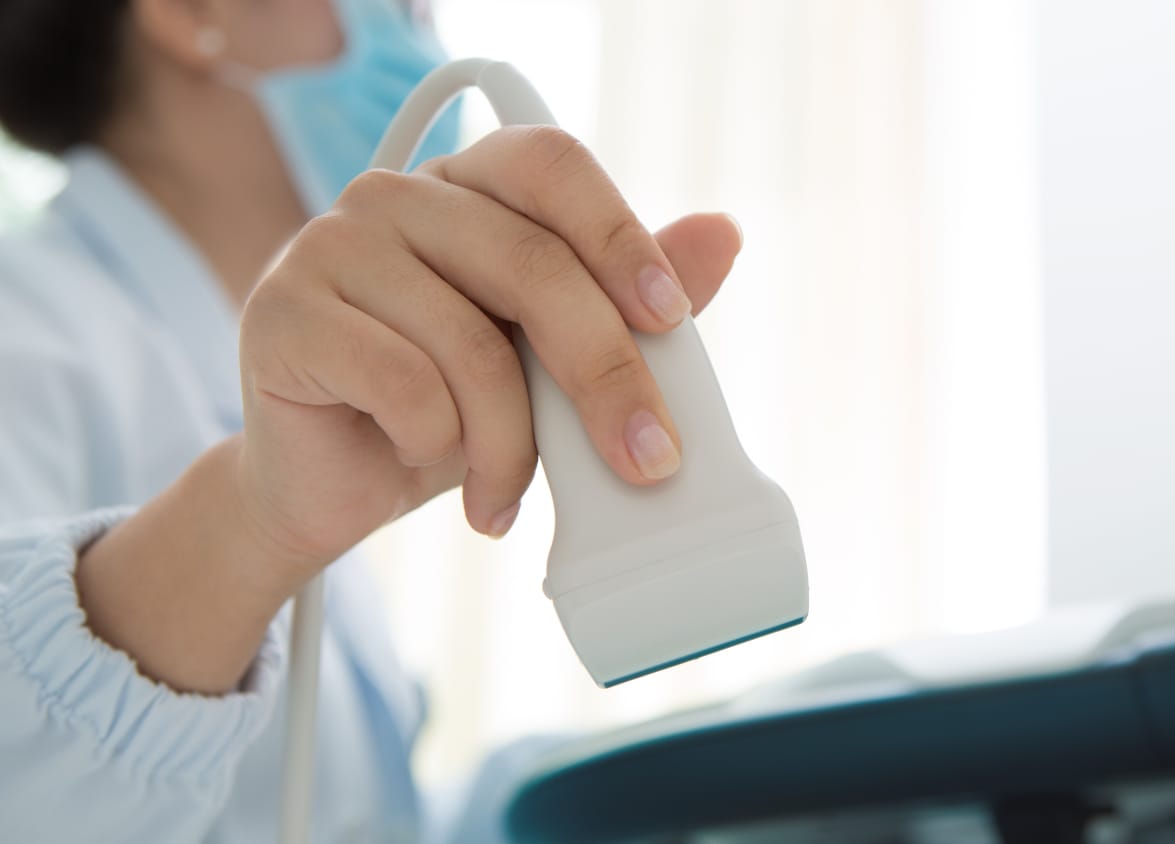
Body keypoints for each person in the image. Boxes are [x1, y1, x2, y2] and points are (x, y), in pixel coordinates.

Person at [0, 0, 743, 840]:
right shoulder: (22, 331)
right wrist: (252, 523)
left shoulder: (292, 376)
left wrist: (726, 769)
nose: (420, 36)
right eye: (395, 7)